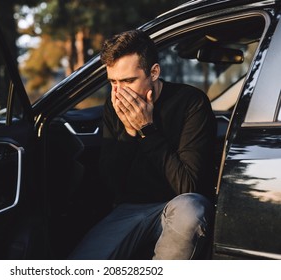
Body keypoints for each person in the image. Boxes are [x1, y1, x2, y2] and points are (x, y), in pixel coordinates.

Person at [69, 29, 216, 259]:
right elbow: (109, 182)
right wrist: (129, 131)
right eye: (113, 82)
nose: (118, 92)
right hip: (131, 209)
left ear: (154, 72)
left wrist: (147, 129)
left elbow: (189, 188)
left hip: (179, 207)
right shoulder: (114, 105)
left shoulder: (191, 103)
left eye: (128, 80)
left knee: (192, 208)